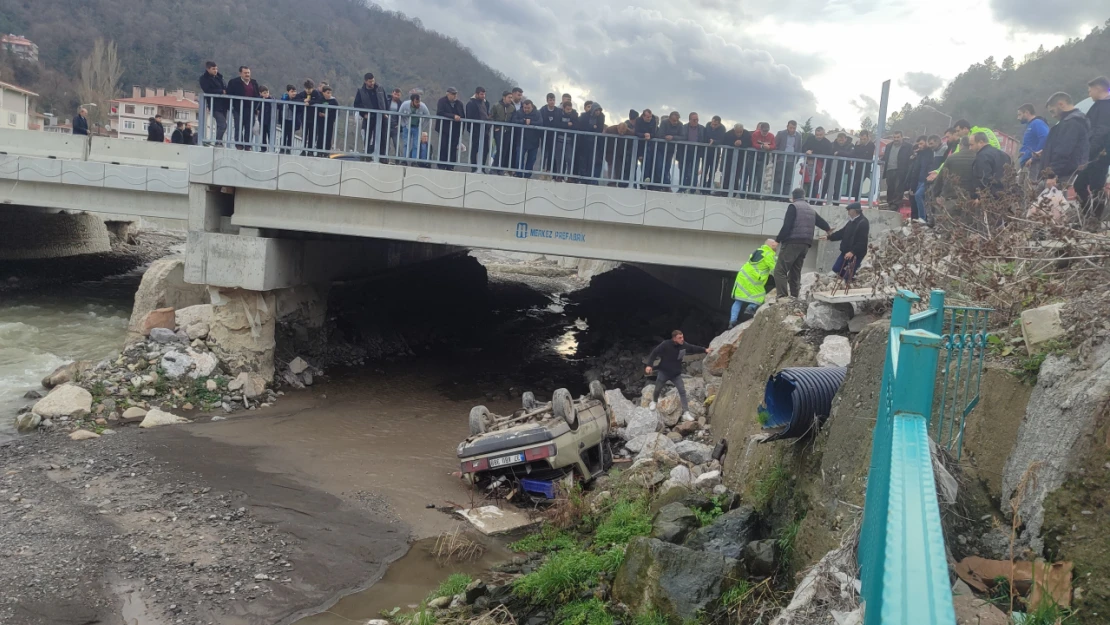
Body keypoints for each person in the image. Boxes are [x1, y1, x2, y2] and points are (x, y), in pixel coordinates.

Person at [773, 188, 832, 298]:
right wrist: (828, 230)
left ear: (793, 197)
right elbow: (820, 221)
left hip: (792, 242)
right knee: (795, 271)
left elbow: (787, 226)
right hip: (805, 244)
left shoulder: (793, 207)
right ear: (804, 196)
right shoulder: (810, 209)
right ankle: (795, 296)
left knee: (779, 271)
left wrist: (777, 240)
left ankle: (782, 297)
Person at [644, 330, 707, 420]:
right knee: (657, 389)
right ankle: (654, 401)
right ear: (674, 338)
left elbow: (693, 348)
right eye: (680, 338)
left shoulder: (683, 345)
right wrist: (649, 365)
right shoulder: (665, 344)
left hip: (676, 374)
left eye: (682, 337)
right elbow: (654, 353)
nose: (682, 339)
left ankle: (686, 412)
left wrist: (705, 350)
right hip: (663, 372)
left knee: (682, 391)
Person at [1075, 77, 1110, 229]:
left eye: (1090, 90)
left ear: (1099, 88)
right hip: (1091, 153)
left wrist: (1089, 151)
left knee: (1097, 186)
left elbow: (1101, 131)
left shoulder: (1105, 107)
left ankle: (1095, 219)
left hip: (1100, 153)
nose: (1089, 93)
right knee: (1079, 184)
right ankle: (1088, 215)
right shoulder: (1097, 106)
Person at [1039, 91, 1090, 181]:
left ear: (1061, 104)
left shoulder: (1071, 123)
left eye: (1052, 111)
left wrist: (1052, 175)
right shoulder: (1073, 121)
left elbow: (1063, 151)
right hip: (1064, 174)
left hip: (1061, 176)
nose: (1053, 115)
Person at [728, 239, 778, 329]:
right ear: (772, 246)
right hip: (753, 278)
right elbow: (775, 269)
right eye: (775, 245)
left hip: (743, 276)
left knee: (739, 300)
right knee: (761, 295)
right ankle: (750, 308)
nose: (777, 247)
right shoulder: (769, 254)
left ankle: (732, 322)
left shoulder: (758, 250)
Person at [827, 202, 870, 283]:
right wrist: (829, 237)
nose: (848, 212)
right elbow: (842, 233)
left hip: (856, 253)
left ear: (855, 211)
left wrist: (852, 252)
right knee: (836, 268)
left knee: (849, 273)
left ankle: (849, 283)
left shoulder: (863, 222)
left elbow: (862, 241)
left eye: (849, 210)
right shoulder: (851, 222)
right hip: (845, 251)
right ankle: (851, 279)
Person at [225, 66, 261, 150]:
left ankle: (248, 145)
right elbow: (229, 94)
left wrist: (256, 107)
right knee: (239, 126)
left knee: (249, 127)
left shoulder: (254, 83)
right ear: (240, 73)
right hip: (238, 108)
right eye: (245, 73)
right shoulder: (234, 82)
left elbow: (257, 95)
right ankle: (239, 144)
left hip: (250, 109)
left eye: (248, 73)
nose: (247, 75)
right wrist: (231, 106)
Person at [353, 72, 387, 157]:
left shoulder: (380, 88)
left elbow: (385, 101)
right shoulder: (361, 91)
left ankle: (381, 156)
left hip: (381, 116)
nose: (372, 83)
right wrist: (363, 114)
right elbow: (357, 104)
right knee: (368, 137)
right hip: (369, 117)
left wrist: (386, 112)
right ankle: (367, 154)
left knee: (382, 137)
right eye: (370, 81)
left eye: (373, 81)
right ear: (365, 81)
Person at [969, 131, 1011, 200]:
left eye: (971, 145)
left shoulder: (982, 156)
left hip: (989, 198)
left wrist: (979, 197)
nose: (970, 148)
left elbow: (983, 178)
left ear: (981, 142)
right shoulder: (1005, 155)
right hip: (1005, 198)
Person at [1017, 104, 1050, 182]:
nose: (1018, 118)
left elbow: (1045, 137)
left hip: (1034, 163)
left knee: (1032, 188)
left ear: (1027, 112)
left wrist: (1034, 158)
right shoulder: (1029, 125)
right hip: (1026, 163)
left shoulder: (1037, 123)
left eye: (1019, 114)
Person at [510, 99, 543, 177]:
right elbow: (514, 121)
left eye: (528, 108)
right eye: (525, 108)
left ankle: (527, 175)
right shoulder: (519, 112)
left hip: (534, 141)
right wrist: (524, 121)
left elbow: (540, 123)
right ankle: (519, 174)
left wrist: (531, 122)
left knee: (531, 160)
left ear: (532, 107)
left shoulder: (537, 113)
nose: (526, 110)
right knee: (519, 158)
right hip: (521, 140)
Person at [198, 61, 228, 145]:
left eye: (216, 69)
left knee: (220, 125)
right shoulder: (204, 79)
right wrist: (221, 91)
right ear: (208, 69)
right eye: (213, 69)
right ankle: (218, 142)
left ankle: (219, 141)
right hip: (214, 105)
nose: (216, 70)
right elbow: (207, 90)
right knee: (223, 125)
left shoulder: (220, 77)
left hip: (224, 105)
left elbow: (225, 87)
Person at [435, 87, 466, 170]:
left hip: (455, 130)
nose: (454, 96)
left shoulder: (459, 104)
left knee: (453, 148)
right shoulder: (442, 101)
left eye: (455, 94)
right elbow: (440, 112)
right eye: (452, 94)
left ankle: (451, 166)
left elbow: (463, 116)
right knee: (444, 146)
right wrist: (452, 116)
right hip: (444, 129)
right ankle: (441, 164)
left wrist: (461, 130)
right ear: (447, 94)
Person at [574, 102, 605, 182]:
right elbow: (582, 127)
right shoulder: (584, 116)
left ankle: (588, 178)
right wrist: (592, 127)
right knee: (583, 160)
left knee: (591, 160)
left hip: (594, 142)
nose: (598, 112)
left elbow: (599, 129)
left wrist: (593, 128)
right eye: (596, 110)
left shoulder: (601, 117)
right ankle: (582, 178)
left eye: (599, 110)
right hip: (584, 141)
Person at [603, 115, 637, 186]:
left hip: (621, 152)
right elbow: (603, 139)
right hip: (610, 151)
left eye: (623, 132)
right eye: (621, 131)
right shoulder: (610, 130)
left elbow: (631, 142)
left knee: (618, 167)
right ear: (617, 128)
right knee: (611, 165)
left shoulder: (629, 133)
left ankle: (616, 181)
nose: (622, 133)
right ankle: (611, 181)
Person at [398, 90, 431, 164]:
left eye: (419, 102)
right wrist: (403, 124)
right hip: (407, 126)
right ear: (412, 101)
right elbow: (399, 114)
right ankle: (404, 160)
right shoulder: (405, 104)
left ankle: (414, 161)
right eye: (416, 102)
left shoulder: (423, 106)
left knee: (416, 145)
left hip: (417, 127)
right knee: (406, 144)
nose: (418, 104)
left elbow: (428, 116)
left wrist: (422, 126)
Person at [881, 131, 911, 208]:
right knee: (890, 187)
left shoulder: (908, 146)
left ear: (902, 137)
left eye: (898, 137)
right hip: (889, 169)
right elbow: (885, 157)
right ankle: (890, 203)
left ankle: (896, 205)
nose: (896, 139)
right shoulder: (888, 146)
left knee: (898, 188)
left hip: (900, 170)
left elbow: (910, 158)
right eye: (894, 137)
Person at [774, 120, 805, 196]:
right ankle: (776, 195)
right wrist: (777, 157)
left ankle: (785, 196)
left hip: (791, 160)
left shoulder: (798, 136)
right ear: (787, 126)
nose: (792, 130)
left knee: (788, 180)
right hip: (781, 159)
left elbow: (798, 148)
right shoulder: (781, 134)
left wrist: (796, 159)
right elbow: (776, 145)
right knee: (778, 178)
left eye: (794, 128)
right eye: (790, 128)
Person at [295, 80, 325, 156]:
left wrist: (310, 102)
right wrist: (303, 100)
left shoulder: (316, 93)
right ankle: (303, 150)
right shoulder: (303, 94)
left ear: (312, 88)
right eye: (307, 89)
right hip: (304, 117)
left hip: (314, 118)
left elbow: (319, 100)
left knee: (312, 135)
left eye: (310, 89)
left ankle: (310, 151)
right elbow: (296, 99)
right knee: (304, 134)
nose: (308, 91)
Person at [802, 126, 833, 199]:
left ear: (824, 134)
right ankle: (805, 199)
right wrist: (806, 151)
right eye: (817, 135)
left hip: (820, 166)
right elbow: (803, 148)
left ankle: (813, 199)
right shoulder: (810, 139)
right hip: (809, 164)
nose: (818, 137)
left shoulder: (827, 143)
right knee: (806, 182)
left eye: (820, 135)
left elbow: (829, 155)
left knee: (816, 183)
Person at [466, 87, 491, 170]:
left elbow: (487, 114)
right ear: (476, 94)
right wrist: (471, 129)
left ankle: (482, 167)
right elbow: (469, 117)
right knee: (475, 148)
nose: (483, 96)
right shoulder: (471, 104)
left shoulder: (486, 103)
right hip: (476, 129)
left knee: (485, 149)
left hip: (485, 130)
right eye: (481, 94)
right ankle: (474, 167)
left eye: (484, 94)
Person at [550, 100, 577, 179]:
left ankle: (569, 176)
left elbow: (576, 126)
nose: (569, 111)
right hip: (559, 140)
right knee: (559, 159)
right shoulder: (558, 114)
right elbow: (556, 124)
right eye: (567, 109)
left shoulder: (574, 115)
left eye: (570, 109)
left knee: (569, 159)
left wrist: (569, 125)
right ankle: (559, 176)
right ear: (563, 108)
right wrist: (567, 125)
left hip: (569, 141)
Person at [490, 90, 516, 173]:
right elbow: (491, 117)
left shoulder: (512, 108)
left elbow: (513, 119)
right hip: (498, 130)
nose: (510, 99)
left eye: (511, 97)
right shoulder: (496, 106)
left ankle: (499, 168)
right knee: (499, 149)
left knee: (505, 149)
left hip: (507, 131)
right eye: (509, 97)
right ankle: (494, 168)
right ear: (504, 97)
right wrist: (495, 127)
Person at [825, 132, 854, 202]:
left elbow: (851, 154)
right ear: (837, 139)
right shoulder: (832, 145)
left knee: (838, 187)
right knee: (825, 185)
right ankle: (821, 201)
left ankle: (836, 202)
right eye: (839, 140)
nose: (841, 142)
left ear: (846, 139)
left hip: (841, 170)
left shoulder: (850, 145)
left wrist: (839, 153)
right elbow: (829, 153)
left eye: (842, 140)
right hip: (831, 169)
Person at [634, 109, 659, 187]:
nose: (649, 118)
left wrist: (650, 136)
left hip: (649, 144)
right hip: (639, 144)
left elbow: (654, 133)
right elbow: (636, 132)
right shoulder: (638, 120)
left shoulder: (653, 120)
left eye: (650, 117)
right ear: (643, 116)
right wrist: (643, 135)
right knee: (638, 163)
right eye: (647, 117)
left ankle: (646, 181)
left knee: (648, 163)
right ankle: (636, 182)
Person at [703, 115, 728, 191]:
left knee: (712, 171)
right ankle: (702, 187)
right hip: (706, 151)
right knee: (704, 170)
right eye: (712, 124)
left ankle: (709, 188)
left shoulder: (722, 129)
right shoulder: (708, 125)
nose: (713, 126)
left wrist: (714, 141)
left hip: (715, 152)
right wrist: (709, 140)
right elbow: (705, 136)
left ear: (719, 124)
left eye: (715, 125)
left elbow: (722, 140)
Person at [748, 122, 774, 195]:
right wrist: (762, 146)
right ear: (760, 129)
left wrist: (769, 147)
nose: (765, 133)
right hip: (753, 158)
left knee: (760, 177)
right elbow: (753, 144)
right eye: (764, 131)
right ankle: (751, 193)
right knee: (752, 176)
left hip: (763, 159)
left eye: (767, 131)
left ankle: (758, 194)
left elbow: (774, 145)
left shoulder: (771, 136)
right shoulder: (755, 134)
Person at [850, 130, 875, 200]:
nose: (862, 141)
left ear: (868, 137)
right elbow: (854, 154)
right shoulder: (857, 144)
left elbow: (867, 156)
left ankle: (857, 200)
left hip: (865, 168)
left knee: (858, 184)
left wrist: (859, 147)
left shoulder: (871, 145)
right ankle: (856, 200)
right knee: (855, 185)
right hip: (857, 167)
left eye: (864, 139)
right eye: (861, 139)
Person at [539, 93, 561, 173]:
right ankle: (541, 170)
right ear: (547, 101)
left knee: (552, 154)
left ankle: (548, 170)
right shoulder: (543, 110)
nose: (552, 102)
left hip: (554, 136)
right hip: (544, 135)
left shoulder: (558, 111)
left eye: (553, 100)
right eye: (550, 100)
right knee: (544, 153)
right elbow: (540, 121)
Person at [317, 86, 339, 153]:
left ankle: (326, 152)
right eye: (327, 93)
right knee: (320, 136)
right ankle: (319, 151)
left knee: (328, 136)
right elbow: (317, 108)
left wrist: (327, 115)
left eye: (330, 93)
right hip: (321, 121)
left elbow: (335, 112)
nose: (329, 94)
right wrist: (319, 113)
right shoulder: (320, 100)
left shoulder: (334, 101)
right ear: (323, 93)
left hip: (329, 121)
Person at [279, 85, 298, 154]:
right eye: (292, 91)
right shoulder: (284, 98)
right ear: (288, 92)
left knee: (290, 135)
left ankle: (288, 149)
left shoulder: (296, 99)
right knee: (283, 135)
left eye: (295, 91)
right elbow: (280, 105)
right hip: (284, 119)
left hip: (292, 120)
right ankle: (282, 148)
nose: (293, 93)